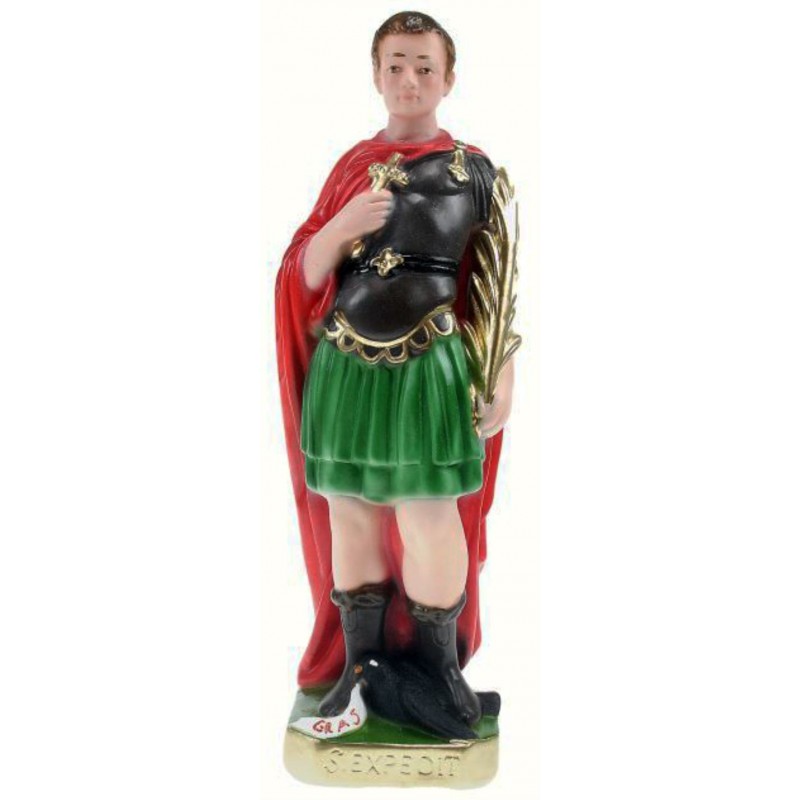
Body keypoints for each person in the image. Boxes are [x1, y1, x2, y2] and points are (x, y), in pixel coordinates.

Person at [275, 11, 517, 728]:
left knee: (429, 514)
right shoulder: (352, 167)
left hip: (428, 364)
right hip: (346, 361)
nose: (410, 80)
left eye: (424, 66)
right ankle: (360, 668)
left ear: (449, 77)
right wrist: (339, 228)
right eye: (396, 65)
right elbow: (301, 275)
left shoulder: (474, 173)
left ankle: (437, 672)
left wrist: (500, 372)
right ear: (376, 75)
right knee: (349, 511)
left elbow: (495, 283)